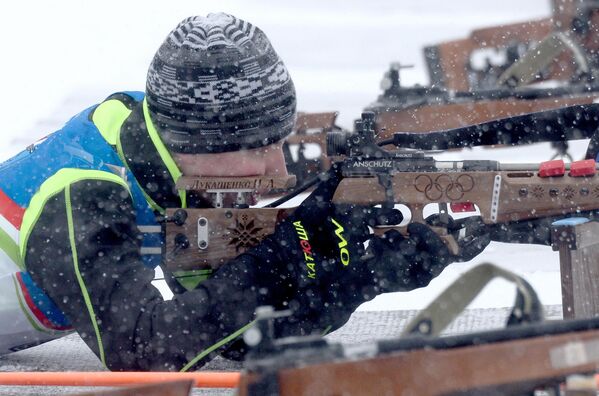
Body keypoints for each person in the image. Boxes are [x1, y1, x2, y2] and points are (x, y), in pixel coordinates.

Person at [0, 13, 487, 371]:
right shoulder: (83, 192)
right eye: (258, 149)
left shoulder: (167, 158)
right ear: (202, 141)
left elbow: (231, 341)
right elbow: (145, 351)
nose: (277, 166)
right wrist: (294, 250)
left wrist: (364, 279)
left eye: (281, 140)